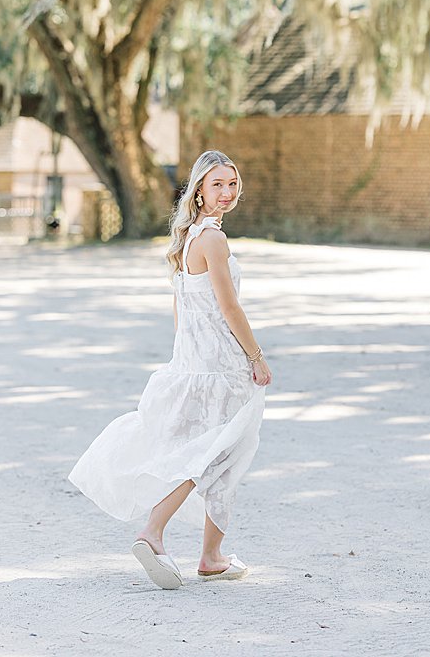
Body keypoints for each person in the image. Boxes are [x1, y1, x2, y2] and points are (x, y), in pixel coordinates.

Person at [68, 150, 274, 589]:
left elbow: (181, 307)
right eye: (217, 184)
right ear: (199, 189)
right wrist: (256, 357)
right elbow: (228, 306)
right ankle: (155, 532)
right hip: (221, 367)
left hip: (195, 363)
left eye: (232, 184)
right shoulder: (213, 241)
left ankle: (211, 557)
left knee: (215, 453)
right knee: (217, 455)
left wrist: (186, 358)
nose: (227, 193)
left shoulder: (187, 239)